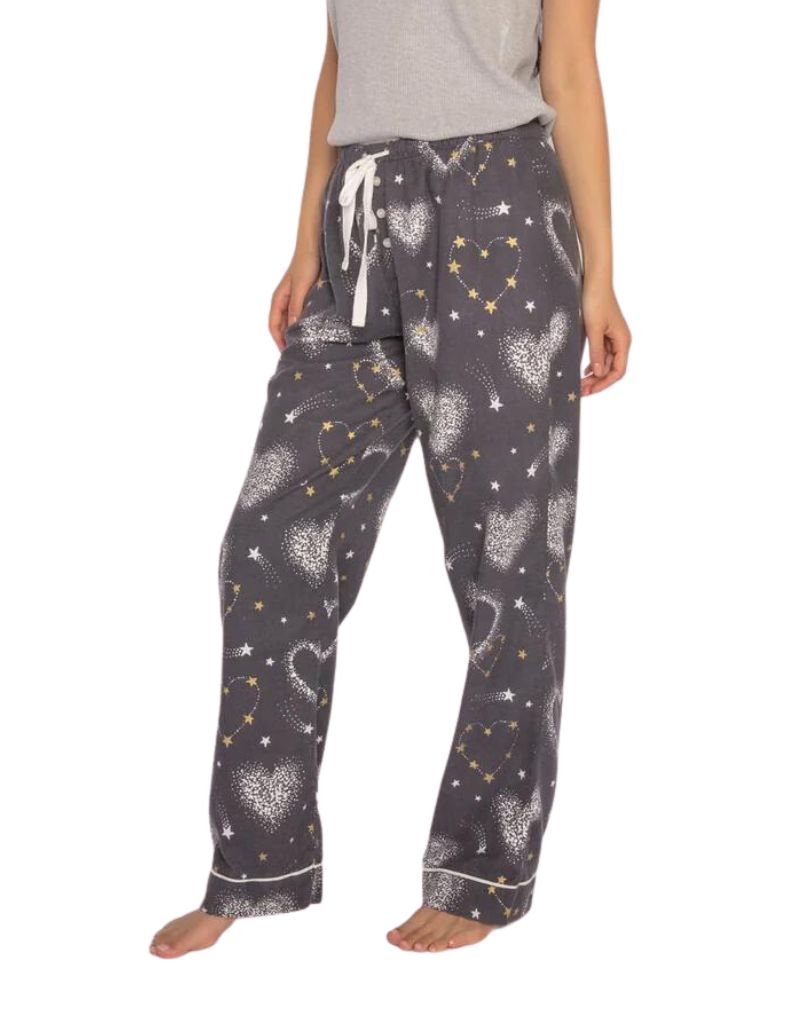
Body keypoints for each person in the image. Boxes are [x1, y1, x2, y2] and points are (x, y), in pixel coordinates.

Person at [150, 0, 631, 958]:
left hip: (500, 211)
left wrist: (600, 278)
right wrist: (305, 244)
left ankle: (484, 870)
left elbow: (572, 72)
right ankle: (258, 863)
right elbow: (340, 63)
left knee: (509, 566)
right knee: (268, 545)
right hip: (358, 220)